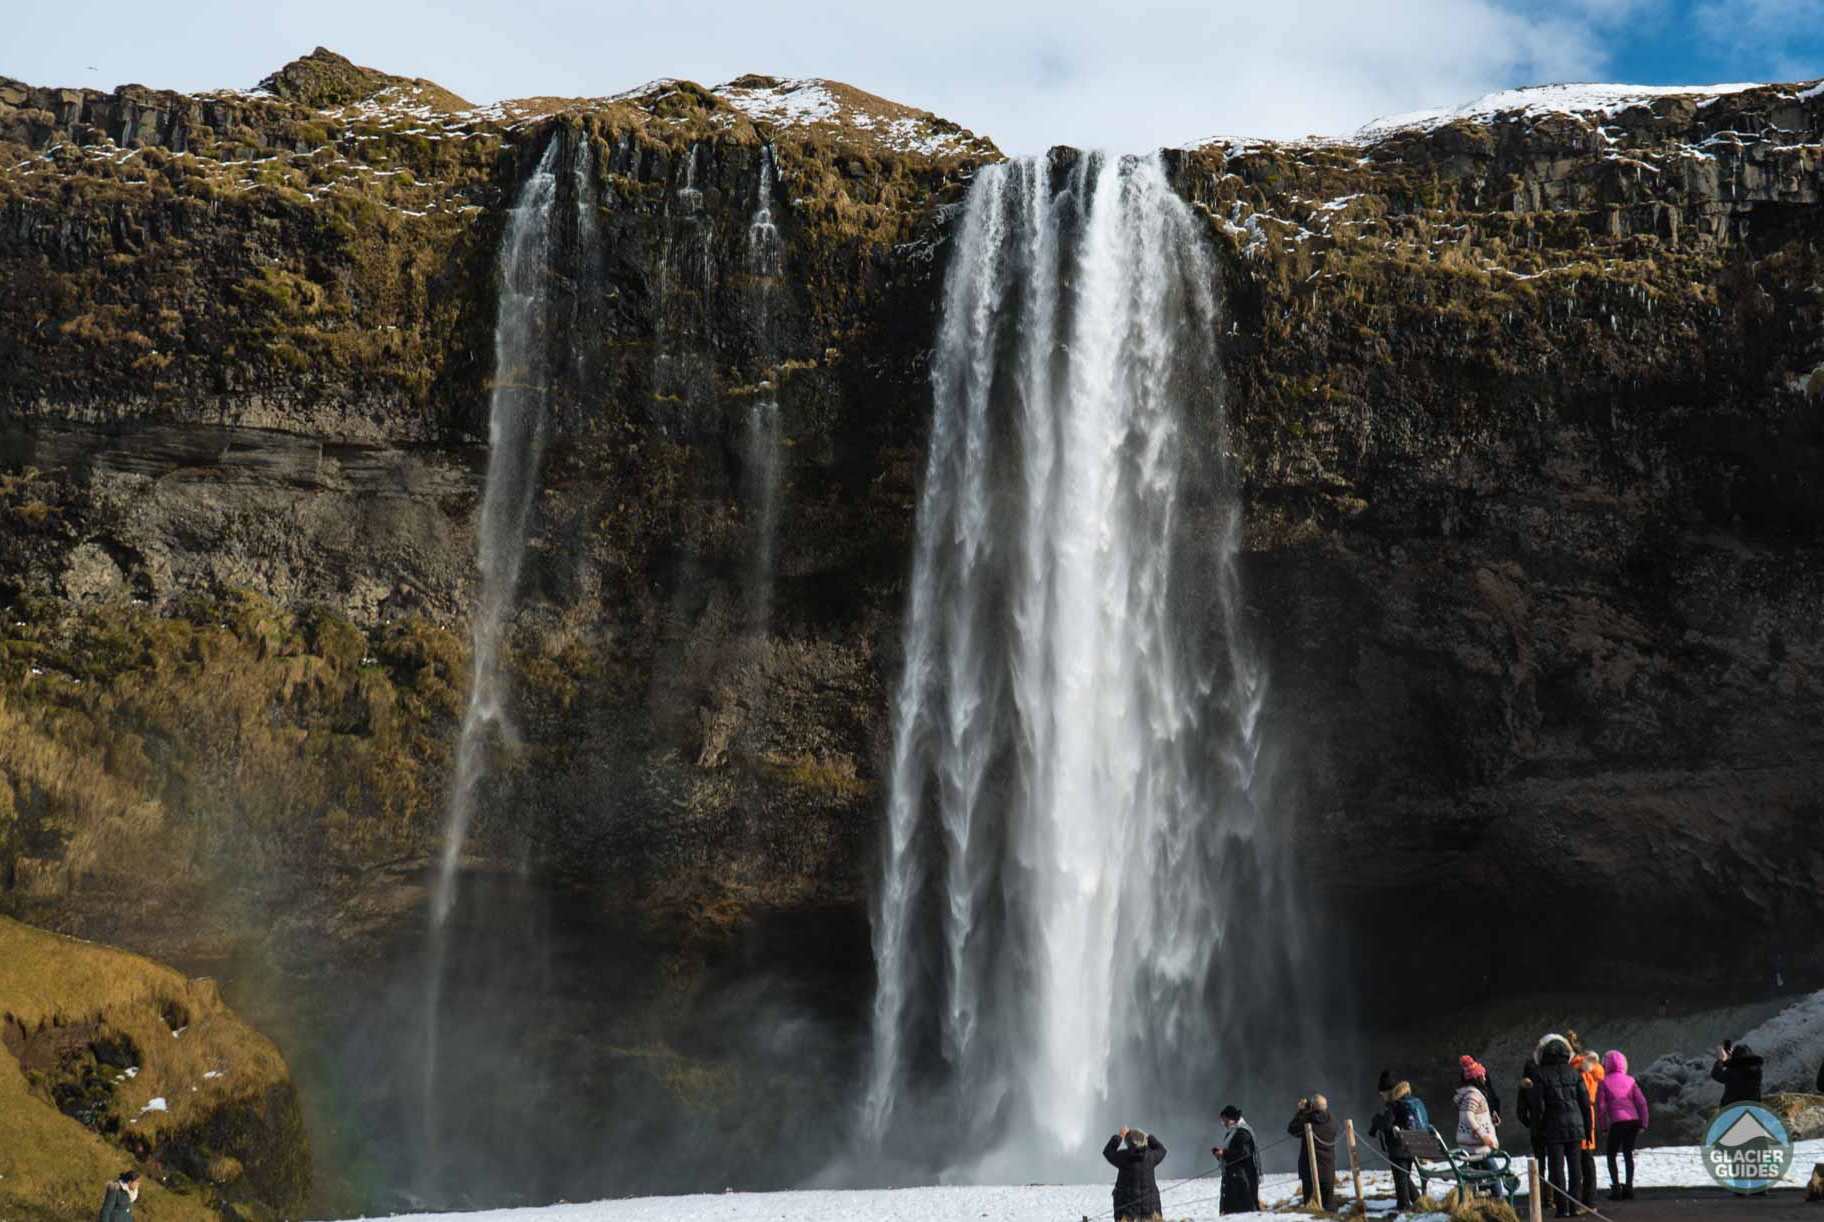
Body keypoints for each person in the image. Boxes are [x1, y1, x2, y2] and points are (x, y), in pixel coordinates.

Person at [1528, 1034, 1590, 1219]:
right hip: (1576, 1124)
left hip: (1553, 1125)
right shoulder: (1575, 1072)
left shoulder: (1539, 1074)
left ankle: (1562, 1207)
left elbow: (1538, 1107)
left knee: (1557, 1168)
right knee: (1575, 1167)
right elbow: (1585, 1104)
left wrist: (1537, 1129)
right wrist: (1588, 1129)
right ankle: (1576, 1206)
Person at [1369, 1071, 1426, 1211]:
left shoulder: (1395, 1104)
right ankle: (1419, 1201)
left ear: (1388, 1091)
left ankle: (1403, 1206)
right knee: (1404, 1176)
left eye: (1382, 1093)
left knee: (1400, 1177)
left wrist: (1376, 1120)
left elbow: (1386, 1124)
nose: (1381, 1096)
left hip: (1399, 1148)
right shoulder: (1408, 1100)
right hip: (1412, 1146)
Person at [1596, 1050, 1648, 1201]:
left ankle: (1616, 1188)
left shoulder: (1604, 1082)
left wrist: (1604, 1127)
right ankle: (1629, 1187)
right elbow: (1642, 1102)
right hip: (1633, 1121)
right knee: (1628, 1154)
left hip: (1617, 1122)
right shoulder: (1631, 1080)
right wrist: (1643, 1123)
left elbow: (1601, 1107)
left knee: (1611, 1155)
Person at [1456, 1060, 1507, 1199]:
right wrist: (1483, 1135)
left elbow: (1475, 1116)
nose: (1485, 1078)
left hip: (1471, 1143)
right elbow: (1468, 1116)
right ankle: (1499, 1201)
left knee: (1478, 1173)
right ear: (1476, 1078)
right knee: (1494, 1171)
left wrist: (1491, 1120)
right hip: (1478, 1145)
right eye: (1482, 1076)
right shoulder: (1474, 1094)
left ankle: (1481, 1199)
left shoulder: (1470, 1094)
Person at [1103, 1125, 1166, 1222]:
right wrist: (1149, 1137)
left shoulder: (1123, 1157)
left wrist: (1120, 1136)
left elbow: (1108, 1152)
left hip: (1127, 1214)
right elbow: (1162, 1150)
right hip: (1151, 1213)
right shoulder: (1151, 1156)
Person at [1288, 1093, 1338, 1210]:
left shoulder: (1308, 1120)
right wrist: (1312, 1109)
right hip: (1327, 1169)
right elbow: (1322, 1113)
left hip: (1309, 1170)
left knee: (1310, 1207)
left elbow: (1292, 1129)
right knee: (1329, 1206)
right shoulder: (1332, 1122)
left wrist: (1301, 1111)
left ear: (1312, 1107)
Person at [1214, 1105, 1261, 1215]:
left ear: (1232, 1119)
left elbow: (1243, 1154)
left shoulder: (1242, 1133)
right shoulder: (1232, 1133)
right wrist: (1220, 1154)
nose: (1224, 1123)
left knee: (1242, 1212)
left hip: (1242, 1178)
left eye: (1224, 1120)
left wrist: (1224, 1153)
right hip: (1234, 1177)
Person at [1574, 1050, 1605, 1207]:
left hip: (1576, 1112)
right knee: (1588, 1159)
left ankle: (1577, 1198)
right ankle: (1591, 1198)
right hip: (1589, 1113)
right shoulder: (1596, 1071)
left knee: (1577, 1160)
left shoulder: (1574, 1068)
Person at [1517, 1059, 1547, 1185]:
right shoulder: (1546, 1080)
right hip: (1552, 1124)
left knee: (1539, 1162)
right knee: (1555, 1162)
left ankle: (1541, 1192)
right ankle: (1554, 1194)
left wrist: (1529, 1123)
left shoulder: (1525, 1086)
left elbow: (1521, 1111)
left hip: (1536, 1126)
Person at [1461, 1054, 1503, 1126]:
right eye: (1481, 1076)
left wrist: (1495, 1112)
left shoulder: (1486, 1089)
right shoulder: (1471, 1094)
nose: (1484, 1078)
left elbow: (1492, 1095)